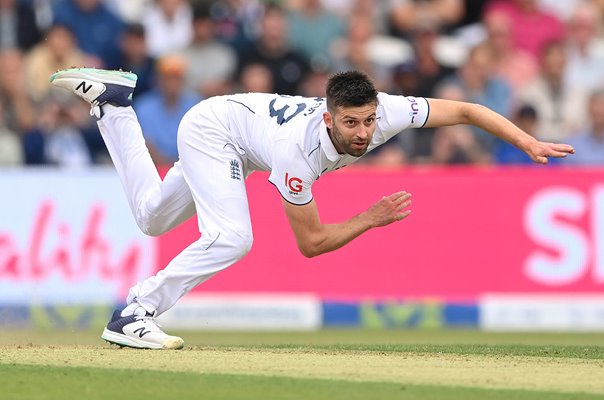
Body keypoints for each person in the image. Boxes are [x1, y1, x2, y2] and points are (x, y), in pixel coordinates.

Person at [49, 67, 574, 349]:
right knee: (234, 238)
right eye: (351, 124)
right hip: (215, 130)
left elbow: (465, 109)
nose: (364, 134)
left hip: (237, 129)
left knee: (150, 217)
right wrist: (369, 218)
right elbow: (311, 244)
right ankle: (134, 312)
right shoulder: (299, 154)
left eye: (368, 121)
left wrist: (527, 141)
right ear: (328, 119)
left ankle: (113, 104)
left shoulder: (386, 112)